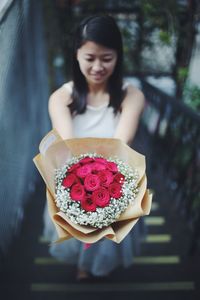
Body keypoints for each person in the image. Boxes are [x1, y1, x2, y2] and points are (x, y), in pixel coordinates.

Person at [43, 14, 145, 281]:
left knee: (109, 232)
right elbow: (68, 145)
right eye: (90, 58)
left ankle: (95, 266)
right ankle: (83, 265)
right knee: (78, 224)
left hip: (116, 179)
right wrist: (83, 180)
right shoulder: (61, 98)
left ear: (118, 56)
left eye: (107, 58)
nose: (98, 66)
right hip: (73, 175)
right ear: (76, 55)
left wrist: (103, 182)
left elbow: (121, 145)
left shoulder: (131, 95)